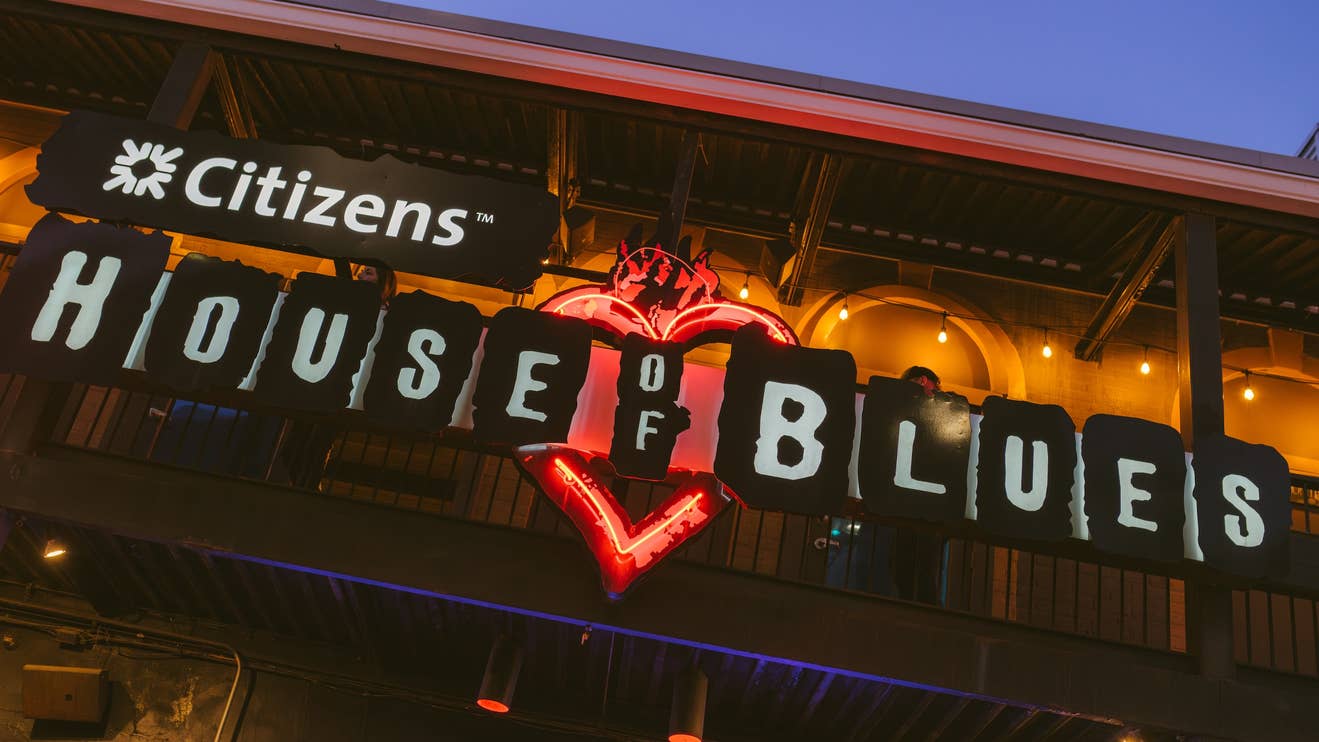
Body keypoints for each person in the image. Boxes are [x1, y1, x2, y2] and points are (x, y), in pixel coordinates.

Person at [892, 365, 947, 605]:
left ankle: (918, 611)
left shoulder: (941, 411)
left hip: (921, 503)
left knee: (917, 565)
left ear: (922, 380)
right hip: (922, 502)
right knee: (911, 564)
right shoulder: (943, 412)